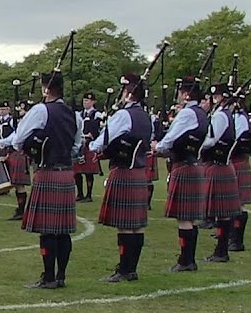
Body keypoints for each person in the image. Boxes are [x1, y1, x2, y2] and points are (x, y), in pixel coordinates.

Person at [0, 71, 83, 290]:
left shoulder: (40, 110)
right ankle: (61, 276)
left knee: (47, 230)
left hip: (47, 172)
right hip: (66, 173)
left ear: (45, 88)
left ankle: (48, 277)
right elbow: (76, 146)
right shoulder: (75, 115)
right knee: (63, 230)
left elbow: (18, 141)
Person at [92, 74, 152, 282]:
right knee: (136, 225)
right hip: (139, 171)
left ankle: (124, 269)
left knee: (125, 224)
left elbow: (103, 141)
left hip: (124, 171)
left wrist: (94, 146)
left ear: (128, 93)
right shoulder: (146, 116)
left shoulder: (123, 115)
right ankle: (131, 269)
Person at [155, 78, 210, 272]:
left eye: (180, 92)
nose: (178, 95)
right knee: (190, 218)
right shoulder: (202, 113)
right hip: (194, 163)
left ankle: (186, 260)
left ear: (186, 94)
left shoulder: (187, 113)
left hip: (184, 165)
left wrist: (158, 146)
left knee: (184, 218)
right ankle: (189, 259)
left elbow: (171, 136)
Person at [199, 85, 242, 263]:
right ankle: (221, 250)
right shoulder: (224, 114)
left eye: (215, 96)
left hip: (218, 165)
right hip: (222, 165)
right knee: (222, 212)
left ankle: (221, 251)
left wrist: (196, 144)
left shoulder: (220, 116)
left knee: (222, 212)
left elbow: (211, 140)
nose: (213, 99)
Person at [0, 101, 30, 219]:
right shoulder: (20, 123)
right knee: (15, 183)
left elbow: (15, 139)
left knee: (19, 184)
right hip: (12, 152)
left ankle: (21, 211)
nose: (21, 112)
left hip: (18, 153)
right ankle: (20, 210)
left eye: (22, 110)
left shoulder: (25, 124)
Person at [229, 102, 251, 251]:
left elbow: (237, 140)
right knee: (231, 202)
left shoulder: (240, 118)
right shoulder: (231, 116)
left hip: (238, 160)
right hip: (232, 161)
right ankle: (230, 235)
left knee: (239, 203)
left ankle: (237, 241)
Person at [75, 92, 104, 202]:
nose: (85, 102)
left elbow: (98, 129)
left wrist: (91, 135)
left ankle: (89, 195)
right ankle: (80, 193)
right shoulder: (79, 114)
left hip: (90, 144)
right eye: (84, 100)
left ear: (93, 102)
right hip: (79, 144)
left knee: (88, 172)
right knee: (77, 171)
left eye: (87, 100)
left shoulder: (97, 114)